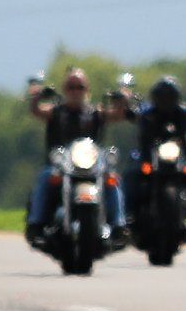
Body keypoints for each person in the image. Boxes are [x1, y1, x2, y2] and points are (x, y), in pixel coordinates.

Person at [23, 67, 128, 247]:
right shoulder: (55, 112)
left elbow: (119, 114)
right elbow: (37, 111)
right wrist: (35, 95)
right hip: (62, 164)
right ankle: (36, 224)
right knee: (46, 177)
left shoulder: (97, 112)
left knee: (112, 180)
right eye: (71, 87)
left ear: (87, 90)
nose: (75, 91)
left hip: (92, 165)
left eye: (80, 87)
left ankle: (119, 225)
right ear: (64, 90)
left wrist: (123, 99)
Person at [125, 75, 186, 235]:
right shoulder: (147, 112)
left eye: (169, 97)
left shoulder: (184, 112)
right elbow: (134, 113)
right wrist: (129, 111)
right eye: (162, 97)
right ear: (155, 98)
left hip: (178, 157)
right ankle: (126, 217)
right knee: (132, 174)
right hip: (148, 156)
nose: (165, 101)